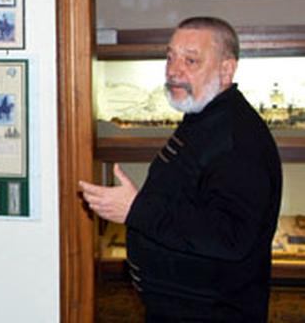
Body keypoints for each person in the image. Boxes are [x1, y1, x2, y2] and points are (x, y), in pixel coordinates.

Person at [79, 17, 282, 322]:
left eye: (191, 60)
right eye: (170, 57)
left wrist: (137, 209)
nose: (173, 71)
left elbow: (230, 235)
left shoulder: (237, 139)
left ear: (226, 70)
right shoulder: (204, 116)